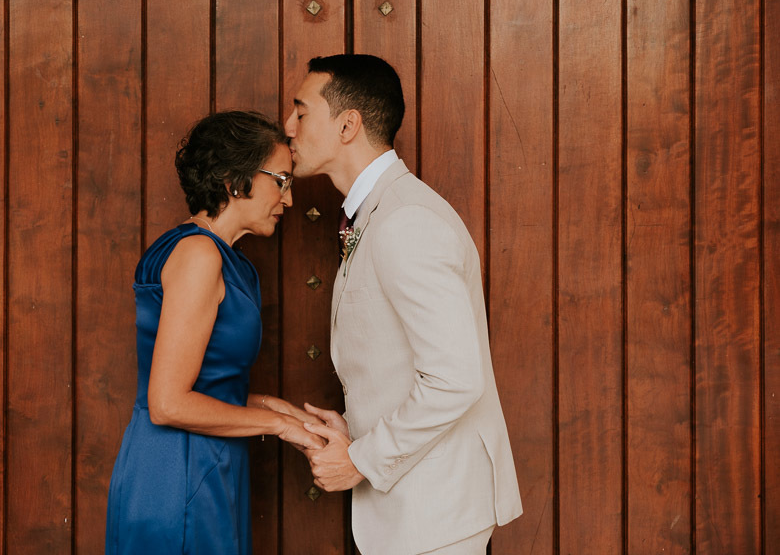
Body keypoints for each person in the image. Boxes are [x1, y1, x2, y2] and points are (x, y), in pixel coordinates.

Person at [285, 55, 523, 554]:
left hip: (435, 513)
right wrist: (357, 427)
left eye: (301, 112)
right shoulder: (381, 211)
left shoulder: (405, 220)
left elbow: (456, 377)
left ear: (347, 125)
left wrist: (362, 458)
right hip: (417, 510)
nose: (288, 127)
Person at [105, 110, 323, 555]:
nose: (289, 199)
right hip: (176, 471)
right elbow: (167, 404)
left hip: (208, 464)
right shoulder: (199, 254)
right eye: (281, 180)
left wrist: (287, 413)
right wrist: (281, 426)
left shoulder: (229, 259)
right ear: (233, 179)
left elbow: (211, 386)